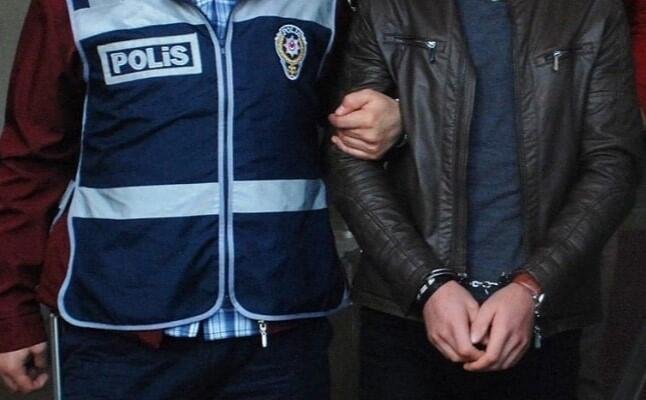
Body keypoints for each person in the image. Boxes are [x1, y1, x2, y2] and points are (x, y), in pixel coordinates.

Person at [0, 0, 399, 398]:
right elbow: (30, 162)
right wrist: (11, 314)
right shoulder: (73, 6)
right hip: (118, 333)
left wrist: (396, 116)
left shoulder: (321, 5)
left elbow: (359, 115)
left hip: (279, 334)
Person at [328, 0, 643, 399]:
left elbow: (614, 166)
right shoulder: (390, 8)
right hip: (404, 315)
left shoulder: (589, 11)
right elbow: (348, 157)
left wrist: (532, 286)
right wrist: (427, 285)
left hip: (541, 319)